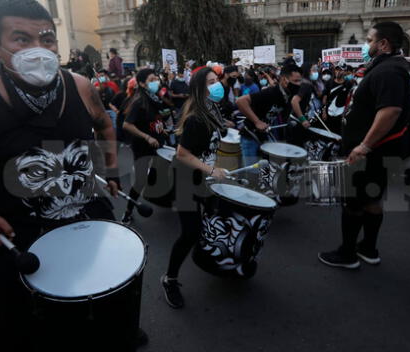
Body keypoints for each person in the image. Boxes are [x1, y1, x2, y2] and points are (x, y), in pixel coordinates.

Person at [0, 1, 151, 350]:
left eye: (47, 38)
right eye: (21, 39)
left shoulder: (81, 86)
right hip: (22, 236)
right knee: (28, 331)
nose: (39, 50)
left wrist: (111, 169)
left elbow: (105, 125)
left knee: (111, 299)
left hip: (91, 218)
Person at [318, 21, 410, 269]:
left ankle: (347, 254)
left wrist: (364, 146)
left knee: (353, 202)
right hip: (378, 152)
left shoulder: (389, 70)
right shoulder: (388, 67)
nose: (366, 44)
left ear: (383, 44)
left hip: (371, 154)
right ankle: (368, 249)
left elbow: (390, 111)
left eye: (370, 40)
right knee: (371, 200)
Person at [160, 67, 229, 309]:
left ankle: (208, 258)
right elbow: (182, 154)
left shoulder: (211, 109)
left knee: (211, 220)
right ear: (200, 88)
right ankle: (169, 279)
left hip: (202, 179)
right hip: (185, 180)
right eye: (211, 82)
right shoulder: (196, 119)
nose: (217, 84)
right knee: (189, 232)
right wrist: (211, 170)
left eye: (217, 80)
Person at [121, 68, 168, 224]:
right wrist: (147, 137)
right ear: (141, 83)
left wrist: (162, 129)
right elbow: (127, 125)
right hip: (143, 147)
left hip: (158, 145)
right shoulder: (139, 101)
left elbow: (154, 120)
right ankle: (128, 212)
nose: (156, 81)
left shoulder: (154, 98)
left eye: (156, 78)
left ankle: (158, 197)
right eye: (151, 79)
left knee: (159, 172)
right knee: (140, 180)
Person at [236, 64, 302, 166]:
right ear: (285, 80)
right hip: (250, 136)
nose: (299, 84)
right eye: (296, 81)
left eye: (300, 81)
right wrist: (257, 122)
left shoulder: (288, 95)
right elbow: (240, 101)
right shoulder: (270, 93)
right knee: (252, 172)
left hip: (264, 135)